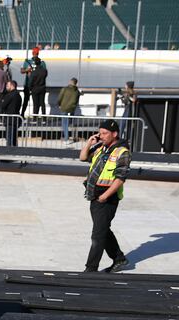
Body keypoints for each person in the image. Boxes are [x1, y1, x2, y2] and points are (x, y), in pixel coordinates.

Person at [79, 119, 131, 273]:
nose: (101, 136)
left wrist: (105, 196)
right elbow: (83, 157)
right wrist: (89, 143)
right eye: (100, 132)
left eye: (104, 133)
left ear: (114, 134)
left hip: (107, 198)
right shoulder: (101, 148)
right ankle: (119, 258)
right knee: (103, 230)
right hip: (94, 195)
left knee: (97, 235)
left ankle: (91, 269)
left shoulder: (122, 152)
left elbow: (120, 178)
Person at [21, 47, 45, 116]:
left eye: (36, 53)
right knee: (26, 100)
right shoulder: (27, 62)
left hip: (36, 86)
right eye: (34, 53)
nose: (35, 55)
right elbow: (22, 70)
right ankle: (22, 114)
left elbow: (44, 73)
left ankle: (36, 116)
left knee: (37, 102)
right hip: (28, 85)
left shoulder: (41, 62)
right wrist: (27, 70)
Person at [57, 77, 80, 143]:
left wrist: (59, 104)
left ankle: (66, 138)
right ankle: (71, 136)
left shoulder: (65, 89)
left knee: (65, 123)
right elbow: (77, 101)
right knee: (70, 122)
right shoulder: (77, 91)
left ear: (70, 82)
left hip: (64, 108)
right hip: (72, 108)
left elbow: (60, 97)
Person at [2, 80, 22, 147]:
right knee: (14, 139)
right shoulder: (18, 95)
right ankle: (14, 152)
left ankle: (9, 153)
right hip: (16, 119)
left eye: (7, 85)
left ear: (12, 86)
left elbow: (3, 105)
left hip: (10, 120)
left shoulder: (9, 95)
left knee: (9, 139)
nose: (6, 87)